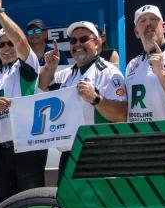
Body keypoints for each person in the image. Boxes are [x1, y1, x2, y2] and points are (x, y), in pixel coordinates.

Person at [0, 0, 46, 203]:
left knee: (31, 207)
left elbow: (22, 43)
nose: (7, 48)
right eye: (1, 44)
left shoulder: (26, 66)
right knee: (5, 205)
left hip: (27, 148)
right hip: (1, 152)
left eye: (10, 43)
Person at [38, 20, 127, 173]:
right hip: (70, 153)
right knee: (66, 198)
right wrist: (50, 67)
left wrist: (96, 98)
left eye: (84, 39)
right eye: (73, 41)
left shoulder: (110, 73)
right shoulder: (66, 74)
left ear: (97, 44)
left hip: (99, 153)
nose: (77, 44)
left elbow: (122, 114)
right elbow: (42, 86)